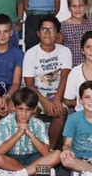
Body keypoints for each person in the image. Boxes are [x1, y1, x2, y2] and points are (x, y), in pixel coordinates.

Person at [23, 15, 72, 150]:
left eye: (52, 29)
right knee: (31, 113)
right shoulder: (30, 53)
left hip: (57, 93)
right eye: (44, 29)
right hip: (36, 94)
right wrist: (45, 102)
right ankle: (31, 149)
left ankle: (49, 149)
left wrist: (56, 100)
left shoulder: (65, 51)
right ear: (38, 33)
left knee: (60, 112)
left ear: (57, 33)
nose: (48, 33)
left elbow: (64, 78)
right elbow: (29, 85)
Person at [0, 88, 61, 176]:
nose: (23, 114)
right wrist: (19, 134)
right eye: (20, 109)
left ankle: (17, 175)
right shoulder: (3, 123)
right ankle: (35, 172)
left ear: (34, 109)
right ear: (13, 107)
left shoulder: (38, 124)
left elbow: (46, 153)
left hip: (34, 158)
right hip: (12, 158)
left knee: (57, 154)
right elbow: (0, 151)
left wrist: (30, 134)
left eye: (28, 110)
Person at [58, 0, 92, 67]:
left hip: (88, 68)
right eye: (74, 6)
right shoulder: (62, 26)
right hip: (69, 68)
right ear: (69, 8)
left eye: (80, 5)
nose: (77, 9)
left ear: (85, 7)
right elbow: (58, 49)